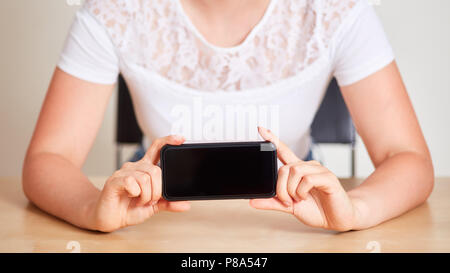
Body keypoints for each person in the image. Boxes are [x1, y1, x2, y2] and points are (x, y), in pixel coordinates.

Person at [22, 0, 434, 232]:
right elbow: (48, 158)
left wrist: (355, 210)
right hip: (149, 225)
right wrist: (93, 208)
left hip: (298, 224)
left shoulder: (336, 10)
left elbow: (408, 158)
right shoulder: (115, 10)